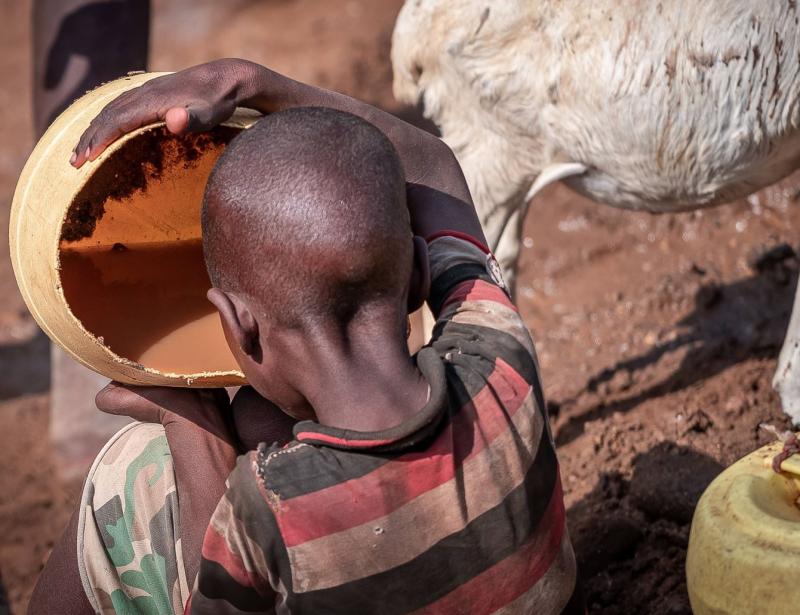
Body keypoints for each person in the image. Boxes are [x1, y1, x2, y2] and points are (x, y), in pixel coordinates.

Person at [32, 59, 583, 614]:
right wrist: (257, 82)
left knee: (128, 477)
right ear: (419, 273)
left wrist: (190, 423)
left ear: (237, 326)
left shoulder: (271, 512)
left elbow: (204, 596)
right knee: (259, 419)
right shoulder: (500, 356)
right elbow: (432, 166)